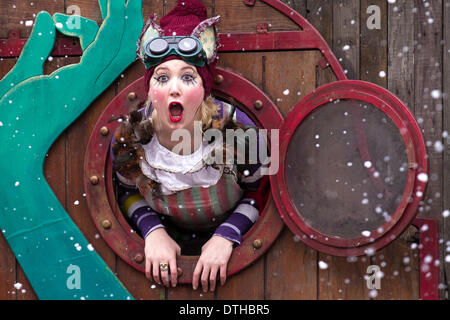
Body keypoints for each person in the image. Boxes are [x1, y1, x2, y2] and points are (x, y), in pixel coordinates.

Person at [111, 0, 268, 293]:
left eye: (187, 77)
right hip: (170, 234)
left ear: (204, 87)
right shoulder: (131, 140)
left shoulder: (236, 131)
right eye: (162, 77)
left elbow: (260, 192)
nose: (174, 88)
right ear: (150, 89)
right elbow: (127, 192)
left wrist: (226, 235)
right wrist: (153, 230)